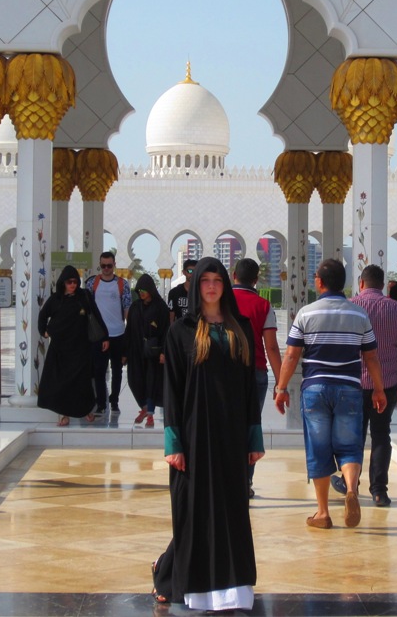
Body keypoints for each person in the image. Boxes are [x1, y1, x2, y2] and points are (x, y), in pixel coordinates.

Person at [152, 257, 264, 611]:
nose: (212, 286)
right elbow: (171, 388)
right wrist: (173, 443)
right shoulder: (181, 331)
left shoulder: (241, 328)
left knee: (231, 509)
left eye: (218, 280)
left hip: (230, 436)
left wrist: (253, 438)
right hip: (195, 435)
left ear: (225, 285)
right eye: (205, 281)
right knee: (193, 510)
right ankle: (178, 578)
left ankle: (233, 590)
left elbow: (249, 389)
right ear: (196, 284)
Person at [274, 259, 386, 530]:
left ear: (320, 282)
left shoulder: (306, 314)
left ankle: (323, 513)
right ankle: (350, 489)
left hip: (315, 389)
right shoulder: (359, 315)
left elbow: (291, 355)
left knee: (318, 449)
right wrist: (379, 389)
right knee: (349, 446)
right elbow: (370, 356)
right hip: (349, 388)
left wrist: (281, 388)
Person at [330, 264, 397, 507]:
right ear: (382, 284)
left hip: (353, 383)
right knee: (381, 435)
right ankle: (379, 491)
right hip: (386, 384)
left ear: (361, 283)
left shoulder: (349, 308)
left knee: (353, 436)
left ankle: (351, 486)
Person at [232, 257, 283, 497]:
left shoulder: (221, 301)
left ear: (233, 276)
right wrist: (281, 384)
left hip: (225, 372)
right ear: (255, 280)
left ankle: (224, 478)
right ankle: (245, 481)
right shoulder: (263, 305)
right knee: (251, 424)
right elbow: (271, 347)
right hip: (256, 373)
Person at [37, 265, 108, 427]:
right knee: (61, 382)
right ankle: (64, 414)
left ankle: (87, 411)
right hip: (60, 349)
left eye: (75, 282)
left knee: (82, 382)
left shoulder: (84, 296)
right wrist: (44, 332)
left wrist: (104, 336)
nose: (73, 285)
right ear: (63, 283)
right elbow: (43, 315)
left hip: (80, 347)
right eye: (69, 282)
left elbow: (95, 315)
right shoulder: (56, 299)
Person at [84, 251, 130, 414]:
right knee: (99, 370)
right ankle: (101, 402)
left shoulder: (122, 284)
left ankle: (114, 400)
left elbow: (126, 309)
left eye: (109, 266)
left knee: (117, 369)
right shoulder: (91, 283)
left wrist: (128, 334)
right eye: (103, 266)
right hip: (98, 336)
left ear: (114, 265)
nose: (106, 269)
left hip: (117, 334)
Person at [125, 273, 171, 428]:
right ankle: (144, 407)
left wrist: (164, 351)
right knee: (134, 380)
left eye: (144, 290)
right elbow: (129, 330)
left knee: (151, 383)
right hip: (136, 351)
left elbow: (166, 331)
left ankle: (150, 414)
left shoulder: (160, 307)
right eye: (139, 291)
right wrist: (125, 352)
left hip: (153, 353)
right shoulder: (135, 307)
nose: (141, 293)